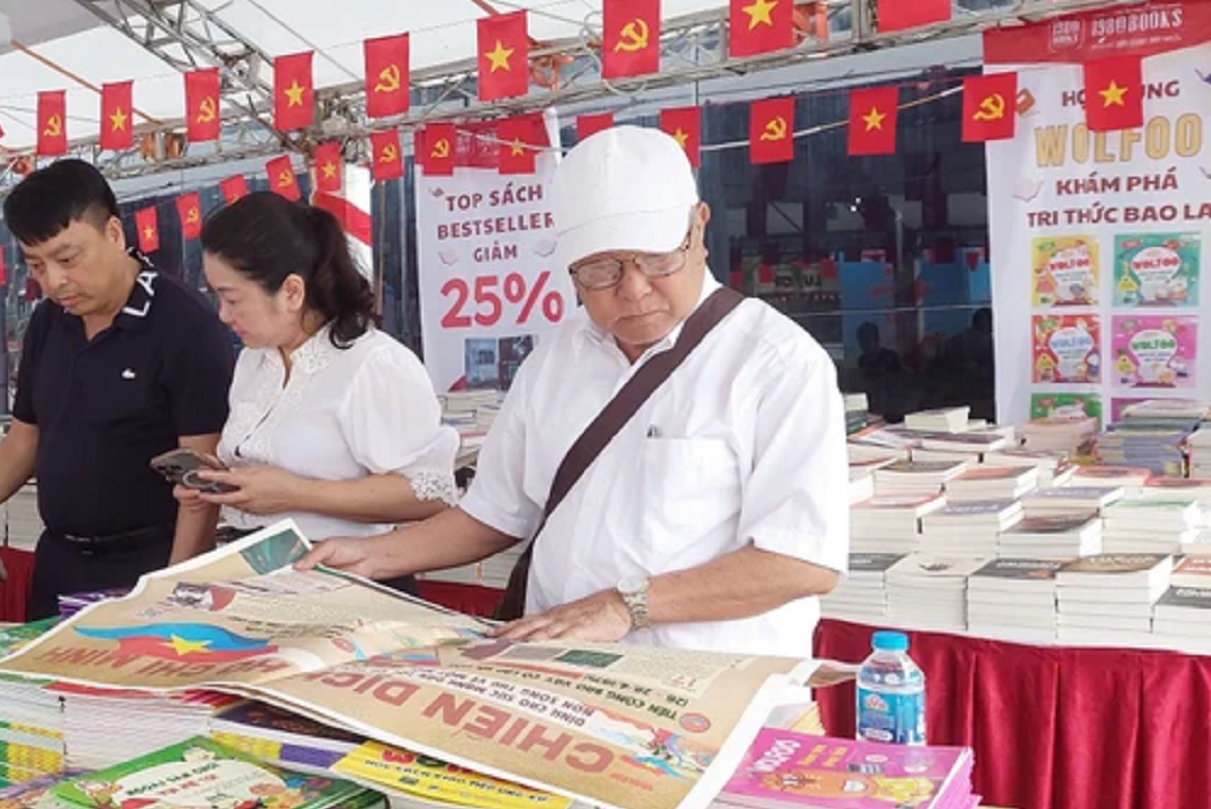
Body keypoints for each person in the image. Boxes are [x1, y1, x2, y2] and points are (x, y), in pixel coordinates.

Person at [300, 126, 847, 657]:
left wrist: (623, 606)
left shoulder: (775, 362)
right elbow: (494, 512)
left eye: (657, 259)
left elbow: (800, 560)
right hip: (560, 675)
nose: (633, 290)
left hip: (702, 686)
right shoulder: (557, 357)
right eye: (600, 270)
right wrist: (370, 556)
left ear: (699, 227)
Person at [0, 159, 235, 620]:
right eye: (37, 265)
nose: (54, 281)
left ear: (113, 233)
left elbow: (201, 479)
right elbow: (20, 446)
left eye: (68, 259)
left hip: (148, 567)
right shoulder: (48, 322)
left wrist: (174, 591)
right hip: (59, 564)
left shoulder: (182, 323)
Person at [175, 192, 458, 595]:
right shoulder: (254, 362)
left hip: (348, 582)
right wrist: (221, 483)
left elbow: (430, 493)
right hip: (256, 578)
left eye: (233, 298)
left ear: (292, 292)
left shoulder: (372, 364)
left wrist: (295, 494)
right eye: (217, 297)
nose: (223, 314)